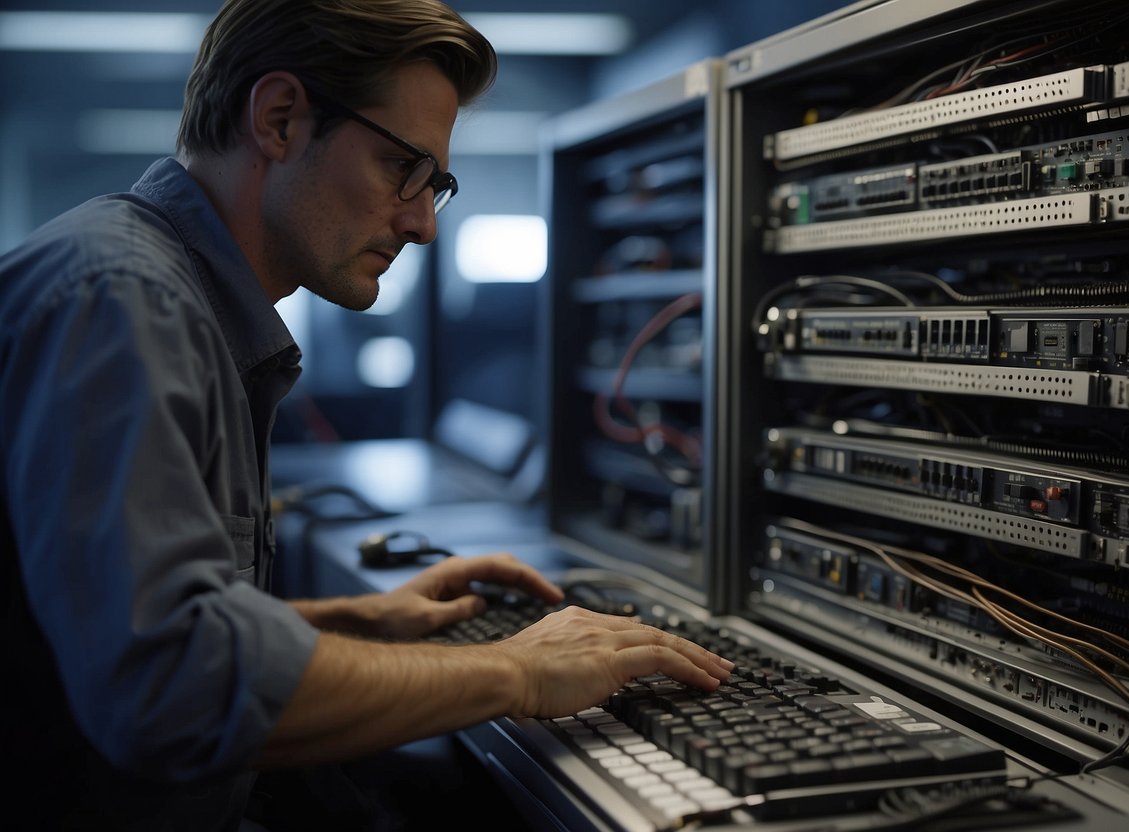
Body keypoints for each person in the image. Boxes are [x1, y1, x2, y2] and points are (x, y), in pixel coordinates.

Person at [0, 1, 733, 829]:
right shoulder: (125, 302)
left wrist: (355, 626)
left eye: (437, 186)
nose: (422, 223)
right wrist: (517, 670)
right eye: (403, 169)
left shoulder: (161, 295)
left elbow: (102, 624)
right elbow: (171, 691)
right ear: (278, 119)